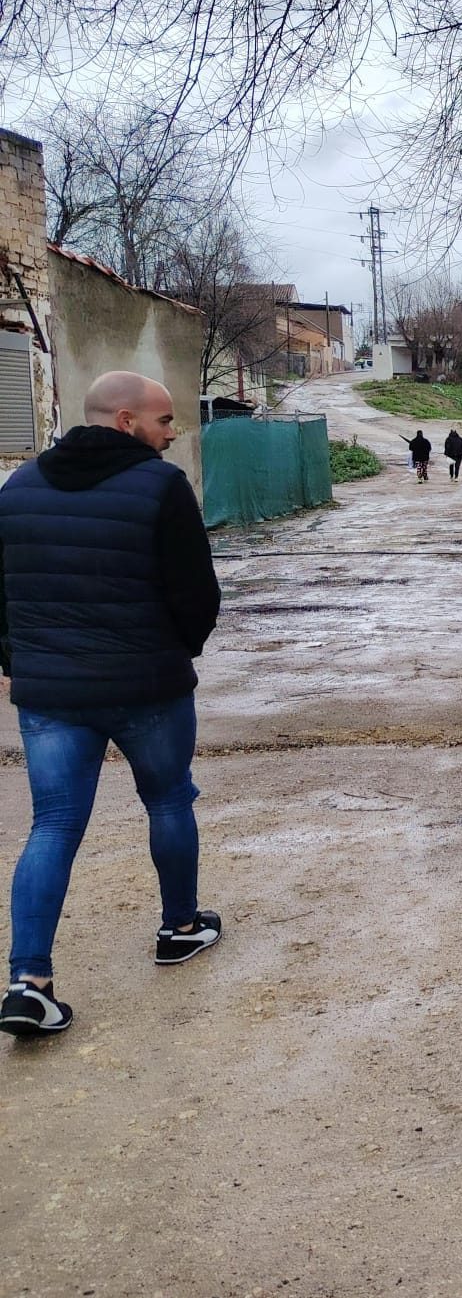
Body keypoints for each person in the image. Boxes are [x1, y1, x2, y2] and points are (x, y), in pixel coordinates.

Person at [0, 371, 223, 1038]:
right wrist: (179, 650)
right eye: (163, 421)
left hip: (51, 695)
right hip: (145, 686)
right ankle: (180, 928)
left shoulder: (18, 487)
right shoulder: (160, 486)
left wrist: (16, 661)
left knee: (55, 822)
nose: (173, 432)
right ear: (125, 421)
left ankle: (28, 984)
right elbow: (196, 593)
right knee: (168, 799)